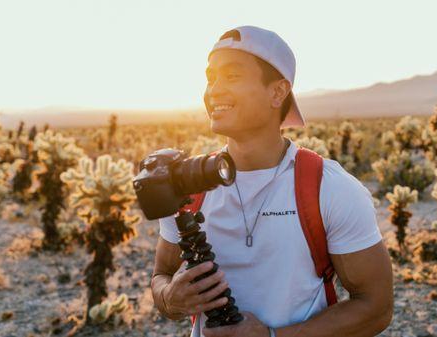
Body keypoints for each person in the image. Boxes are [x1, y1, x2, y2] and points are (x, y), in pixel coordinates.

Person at [151, 25, 393, 337]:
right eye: (211, 78)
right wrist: (170, 298)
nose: (214, 90)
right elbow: (162, 275)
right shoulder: (188, 185)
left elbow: (376, 308)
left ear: (278, 91)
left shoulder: (329, 188)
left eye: (232, 76)